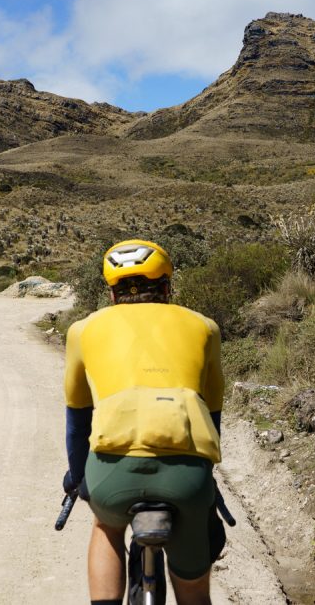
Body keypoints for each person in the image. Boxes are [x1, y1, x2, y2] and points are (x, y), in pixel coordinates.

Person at [63, 239, 225, 605]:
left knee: (106, 525)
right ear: (167, 286)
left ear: (112, 293)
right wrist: (204, 476)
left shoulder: (82, 330)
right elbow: (213, 415)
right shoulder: (204, 327)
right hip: (186, 476)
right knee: (195, 591)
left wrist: (77, 478)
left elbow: (77, 419)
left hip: (111, 474)